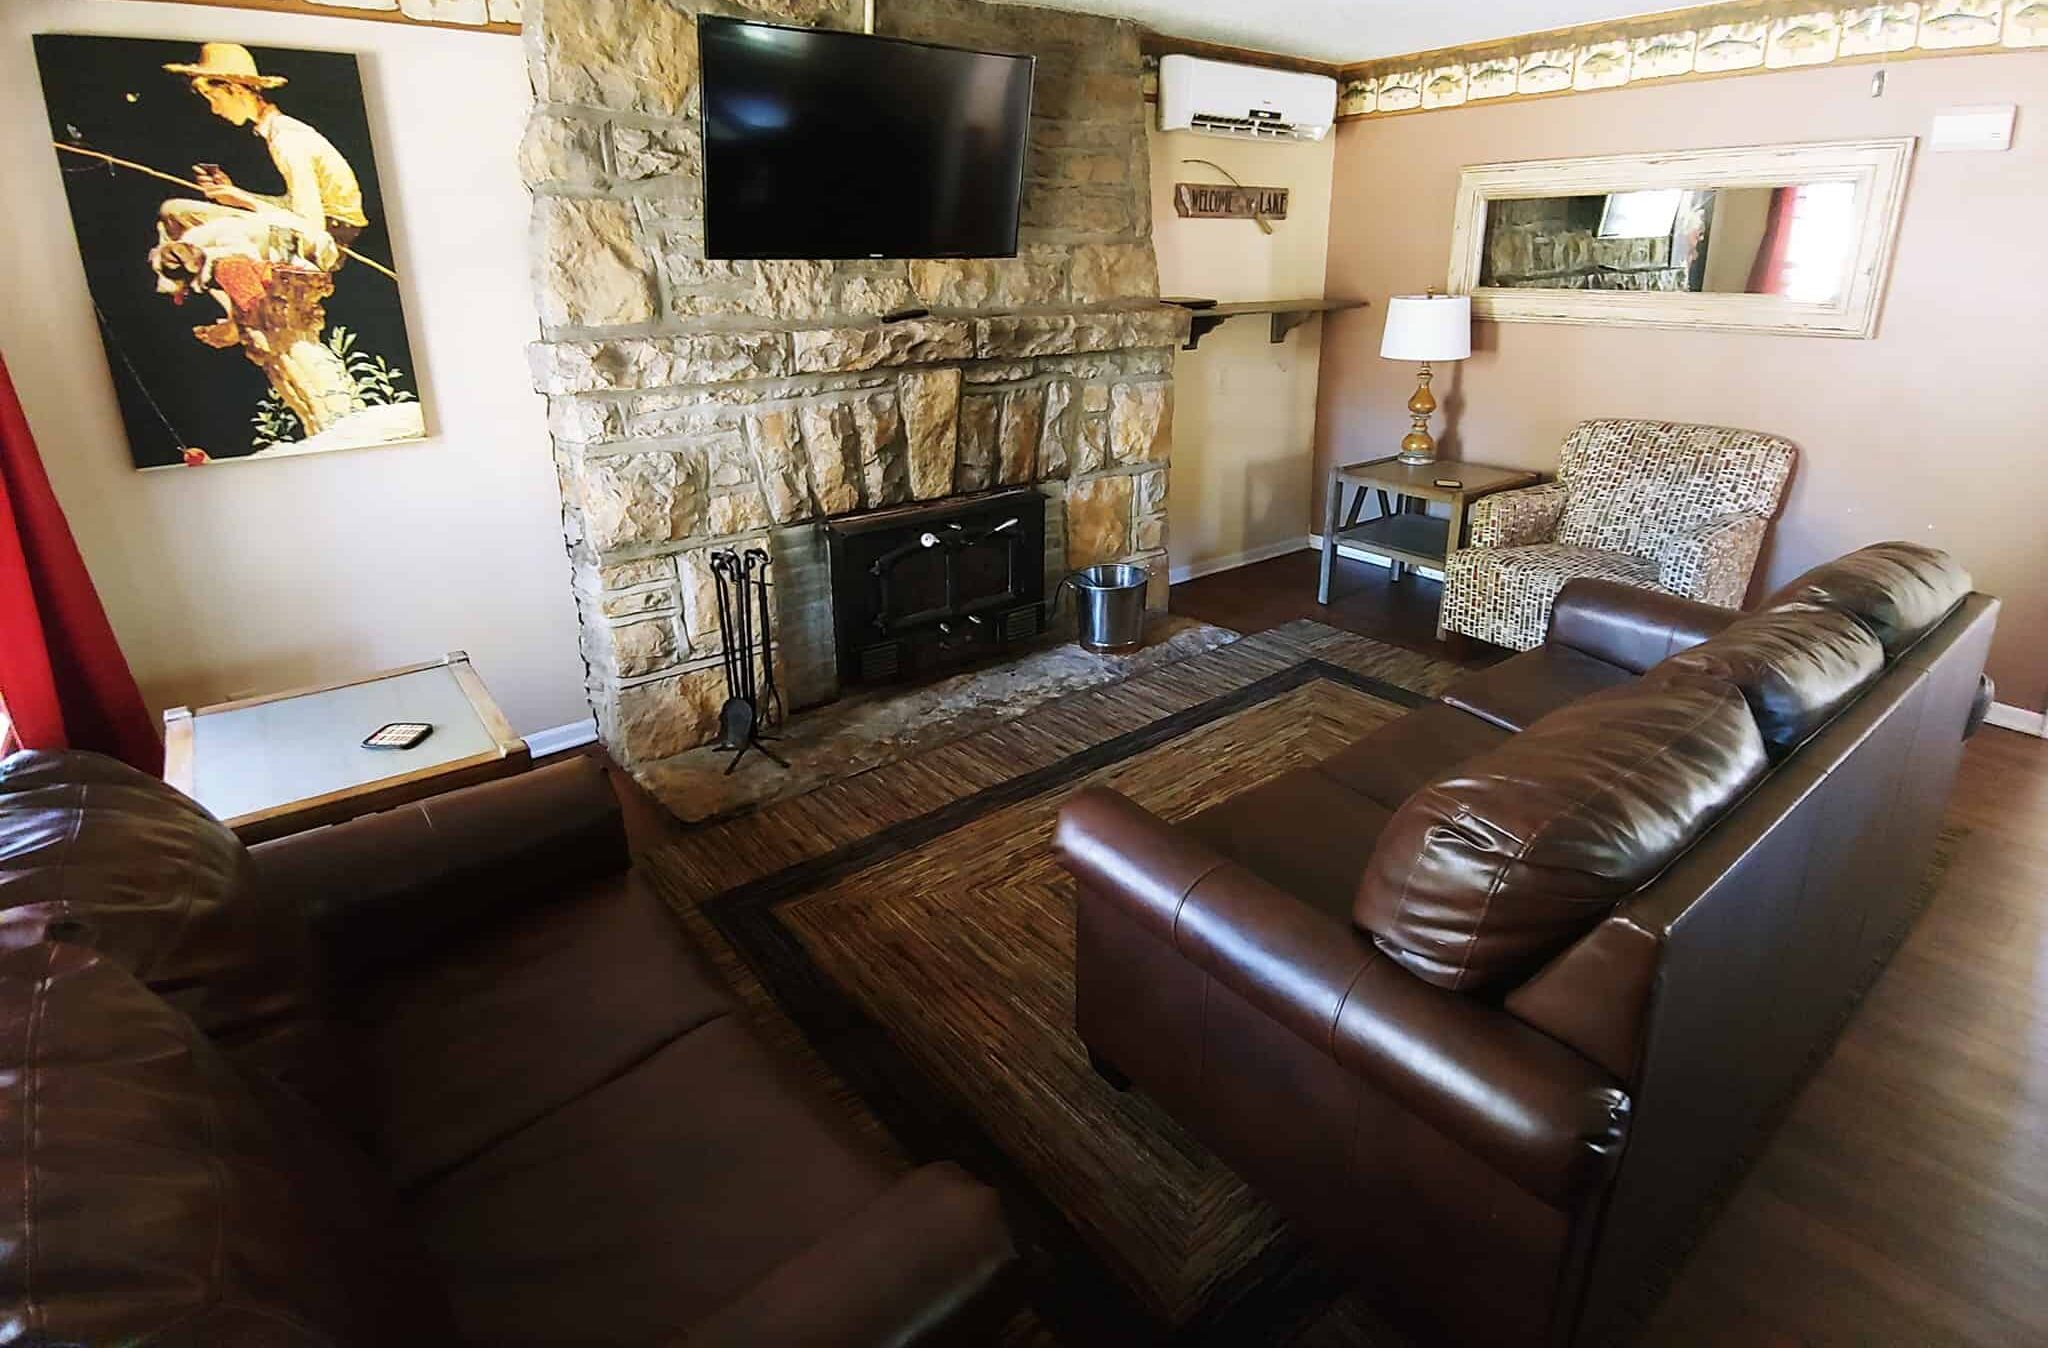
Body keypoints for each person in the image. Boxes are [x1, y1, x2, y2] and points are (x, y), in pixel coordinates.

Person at [155, 42, 367, 274]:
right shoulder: (275, 131)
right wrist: (235, 195)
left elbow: (309, 224)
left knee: (213, 233)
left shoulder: (286, 138)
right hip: (307, 231)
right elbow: (295, 206)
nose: (214, 109)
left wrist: (243, 200)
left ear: (235, 89)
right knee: (174, 211)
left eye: (214, 97)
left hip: (323, 243)